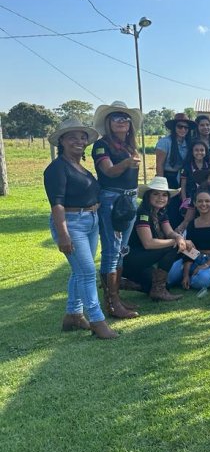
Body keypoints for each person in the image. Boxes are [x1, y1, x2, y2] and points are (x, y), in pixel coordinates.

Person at [44, 118, 118, 339]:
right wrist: (63, 234)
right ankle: (97, 320)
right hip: (72, 222)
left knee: (79, 271)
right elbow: (56, 204)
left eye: (83, 137)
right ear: (62, 141)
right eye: (72, 137)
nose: (79, 141)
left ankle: (73, 315)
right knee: (87, 272)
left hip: (90, 221)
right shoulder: (56, 169)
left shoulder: (80, 166)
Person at [91, 101, 142, 320]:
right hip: (112, 199)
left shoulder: (130, 146)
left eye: (125, 118)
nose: (122, 122)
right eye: (116, 118)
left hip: (129, 199)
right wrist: (128, 163)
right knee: (112, 252)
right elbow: (109, 172)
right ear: (108, 123)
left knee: (121, 250)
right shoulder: (102, 145)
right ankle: (111, 303)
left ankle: (117, 297)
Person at [123, 177, 186, 302]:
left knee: (164, 285)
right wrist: (176, 242)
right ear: (148, 196)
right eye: (155, 194)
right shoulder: (143, 213)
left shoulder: (160, 212)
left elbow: (169, 232)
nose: (160, 198)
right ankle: (158, 290)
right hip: (132, 259)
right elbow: (148, 243)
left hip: (144, 260)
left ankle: (126, 283)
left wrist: (179, 237)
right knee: (173, 247)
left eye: (164, 195)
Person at [168, 188, 210, 291]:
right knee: (169, 278)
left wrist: (206, 265)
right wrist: (185, 275)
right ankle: (187, 275)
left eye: (207, 201)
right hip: (195, 259)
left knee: (200, 281)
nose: (204, 204)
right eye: (200, 201)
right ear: (195, 203)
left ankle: (197, 276)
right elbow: (189, 251)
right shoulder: (192, 224)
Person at [155, 112, 194, 204]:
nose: (183, 129)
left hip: (184, 178)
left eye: (186, 127)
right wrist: (161, 184)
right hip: (168, 177)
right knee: (170, 205)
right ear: (174, 128)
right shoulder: (165, 142)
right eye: (180, 126)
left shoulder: (189, 143)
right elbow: (159, 164)